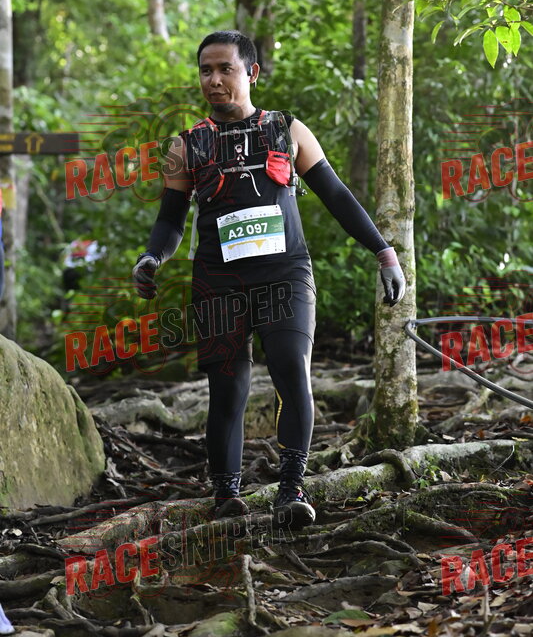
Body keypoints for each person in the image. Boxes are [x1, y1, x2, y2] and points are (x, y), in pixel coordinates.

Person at [133, 30, 405, 529]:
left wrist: (384, 251)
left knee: (291, 368)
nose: (214, 80)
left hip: (285, 273)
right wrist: (152, 257)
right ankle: (226, 495)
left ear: (252, 73)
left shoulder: (287, 129)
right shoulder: (185, 146)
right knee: (228, 388)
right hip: (218, 279)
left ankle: (291, 488)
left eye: (226, 69)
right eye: (206, 71)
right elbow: (170, 221)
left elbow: (337, 196)